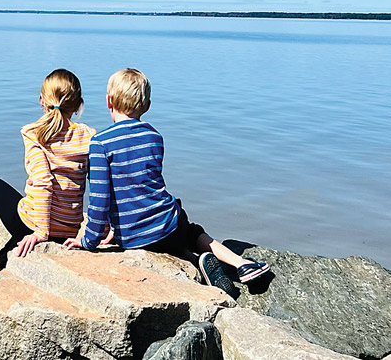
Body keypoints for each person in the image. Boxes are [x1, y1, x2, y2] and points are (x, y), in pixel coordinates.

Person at [64, 68, 269, 295]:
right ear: (148, 105)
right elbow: (144, 185)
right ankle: (240, 264)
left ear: (108, 101)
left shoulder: (100, 143)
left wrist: (89, 240)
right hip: (169, 227)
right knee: (192, 232)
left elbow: (100, 198)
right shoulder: (154, 136)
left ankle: (197, 264)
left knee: (170, 241)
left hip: (132, 237)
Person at [0, 68, 95, 285]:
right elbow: (98, 181)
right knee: (25, 204)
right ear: (79, 105)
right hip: (69, 228)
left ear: (42, 100)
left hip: (36, 226)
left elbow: (43, 182)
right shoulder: (89, 137)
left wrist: (41, 232)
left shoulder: (35, 133)